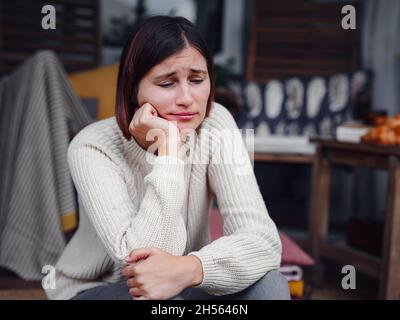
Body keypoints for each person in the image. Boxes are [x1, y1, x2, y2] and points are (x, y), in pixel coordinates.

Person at [45, 15, 290, 300]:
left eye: (197, 80)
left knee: (270, 285)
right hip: (102, 289)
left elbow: (263, 242)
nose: (187, 98)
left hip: (180, 282)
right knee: (160, 298)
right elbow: (142, 266)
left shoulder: (216, 124)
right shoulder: (92, 147)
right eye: (166, 84)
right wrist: (169, 151)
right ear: (134, 90)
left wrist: (193, 267)